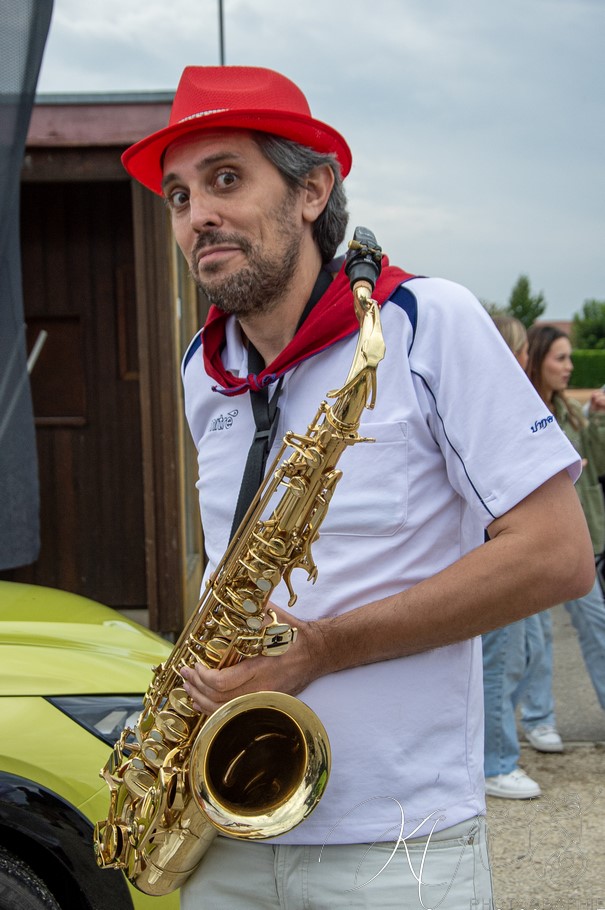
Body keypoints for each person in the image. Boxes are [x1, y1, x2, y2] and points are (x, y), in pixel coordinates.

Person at [121, 66, 594, 909]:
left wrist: (323, 649)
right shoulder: (205, 365)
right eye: (179, 196)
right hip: (221, 823)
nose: (198, 216)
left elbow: (557, 558)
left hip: (398, 843)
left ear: (313, 190)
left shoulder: (424, 323)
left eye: (226, 178)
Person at [519, 324, 605, 750]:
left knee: (597, 623)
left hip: (577, 541)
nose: (569, 367)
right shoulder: (522, 411)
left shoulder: (572, 412)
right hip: (535, 544)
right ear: (536, 360)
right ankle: (539, 718)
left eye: (572, 358)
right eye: (561, 358)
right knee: (539, 638)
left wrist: (599, 417)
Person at [481, 316, 550, 798]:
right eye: (523, 348)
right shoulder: (496, 404)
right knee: (499, 658)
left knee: (518, 652)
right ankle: (496, 762)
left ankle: (499, 754)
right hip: (499, 554)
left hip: (504, 552)